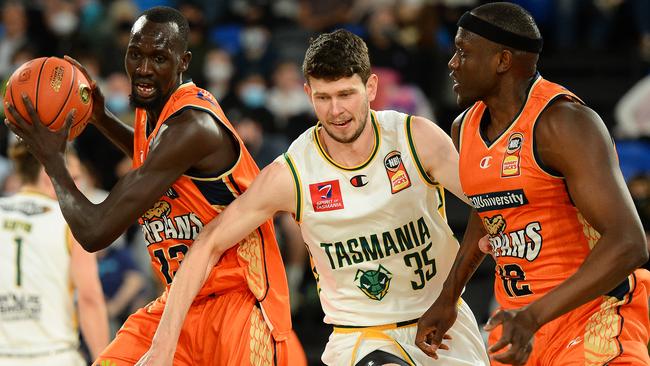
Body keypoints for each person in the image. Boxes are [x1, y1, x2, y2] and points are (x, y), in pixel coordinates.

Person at [135, 29, 490, 366]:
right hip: (361, 337)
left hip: (444, 319)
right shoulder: (294, 171)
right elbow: (208, 243)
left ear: (371, 87)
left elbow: (494, 204)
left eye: (346, 94)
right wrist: (163, 345)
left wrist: (460, 295)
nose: (336, 111)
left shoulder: (416, 139)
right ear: (308, 94)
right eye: (323, 98)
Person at [4, 6, 302, 366]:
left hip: (239, 302)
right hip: (179, 300)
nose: (143, 69)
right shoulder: (156, 109)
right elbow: (155, 157)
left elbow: (95, 231)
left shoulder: (192, 126)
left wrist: (52, 159)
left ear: (183, 61)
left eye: (159, 58)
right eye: (135, 55)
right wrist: (101, 117)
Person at [415, 3, 650, 365]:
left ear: (502, 61)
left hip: (591, 317)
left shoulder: (564, 123)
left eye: (463, 52)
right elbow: (489, 208)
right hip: (516, 321)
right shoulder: (464, 127)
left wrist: (534, 316)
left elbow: (630, 243)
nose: (453, 63)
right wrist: (449, 295)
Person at [0, 142, 109, 365]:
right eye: (76, 179)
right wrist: (104, 360)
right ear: (49, 176)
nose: (81, 188)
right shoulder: (72, 222)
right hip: (54, 355)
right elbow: (89, 298)